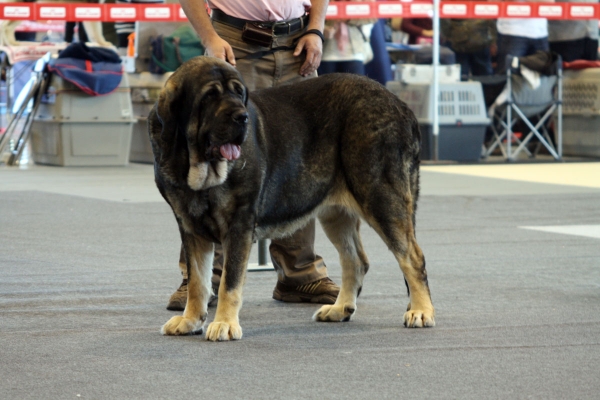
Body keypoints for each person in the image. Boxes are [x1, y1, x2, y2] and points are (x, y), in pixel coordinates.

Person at [167, 0, 339, 311]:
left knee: (300, 161)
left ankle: (298, 273)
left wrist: (316, 28)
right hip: (235, 43)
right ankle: (202, 280)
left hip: (297, 42)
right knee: (219, 164)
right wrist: (210, 37)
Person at [495, 2, 549, 73]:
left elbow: (549, 2)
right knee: (508, 76)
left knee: (544, 77)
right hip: (512, 31)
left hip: (540, 32)